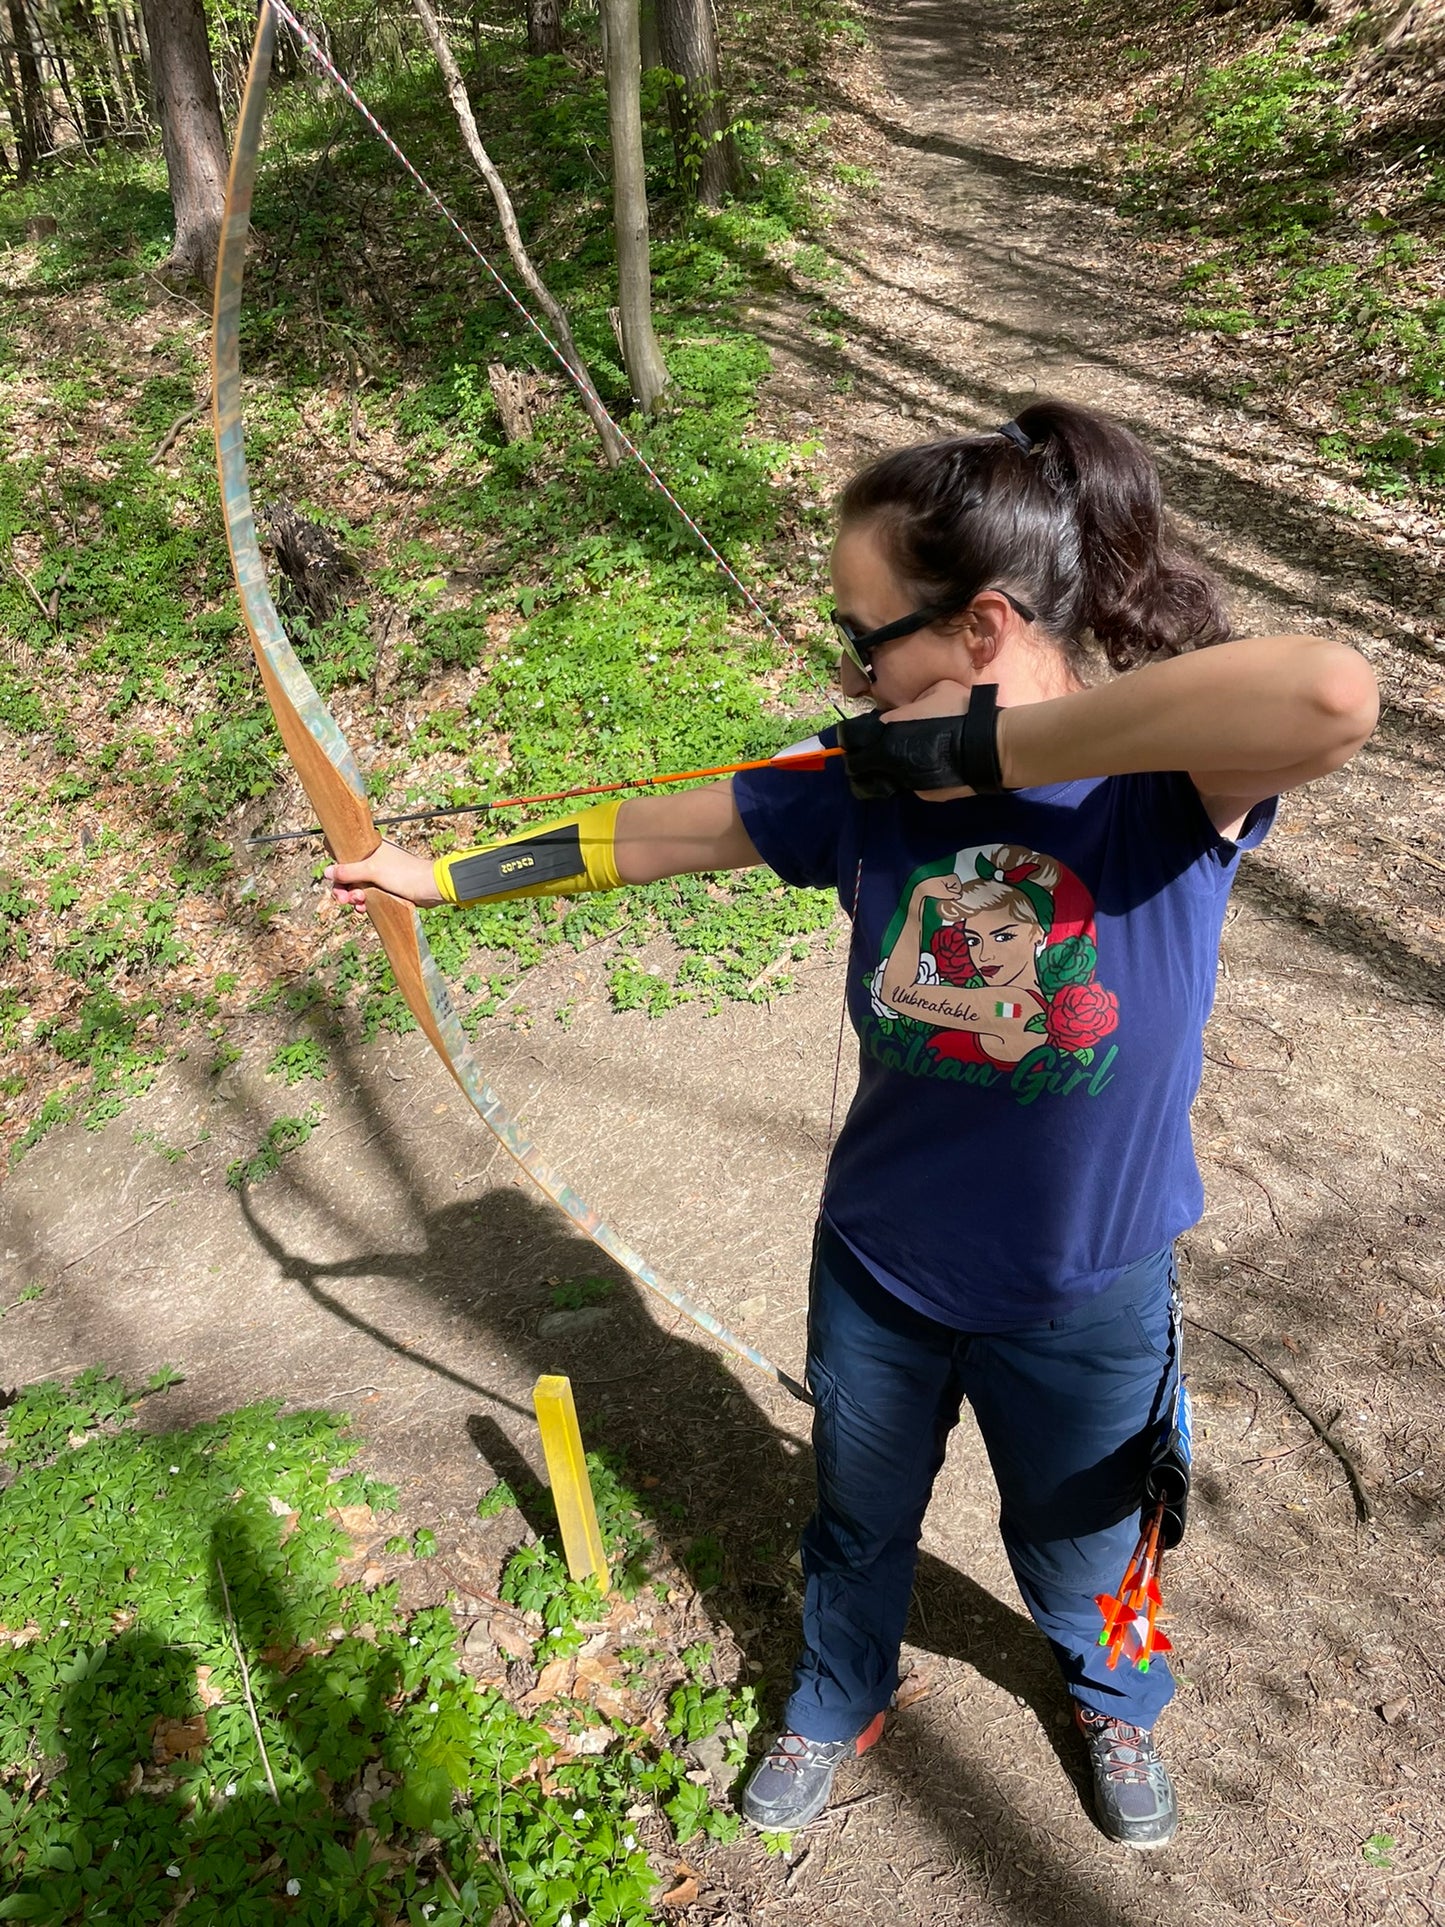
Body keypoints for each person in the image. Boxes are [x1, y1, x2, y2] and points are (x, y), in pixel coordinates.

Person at [324, 399, 1377, 1850]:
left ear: (981, 623)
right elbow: (654, 832)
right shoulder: (865, 788)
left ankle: (1114, 1704)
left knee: (1082, 1542)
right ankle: (835, 1692)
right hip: (881, 1267)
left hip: (1084, 1288)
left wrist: (998, 751)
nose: (843, 664)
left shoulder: (1158, 789)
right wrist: (438, 877)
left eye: (863, 632)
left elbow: (1328, 694)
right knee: (855, 1516)